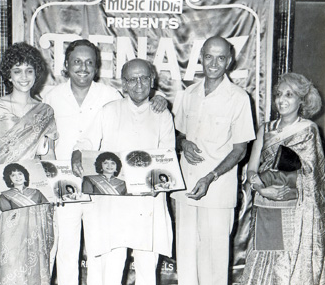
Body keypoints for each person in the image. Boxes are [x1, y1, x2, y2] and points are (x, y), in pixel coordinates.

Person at [43, 39, 167, 285]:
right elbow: (44, 145)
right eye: (77, 62)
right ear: (66, 64)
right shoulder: (51, 97)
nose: (83, 68)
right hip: (65, 183)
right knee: (66, 248)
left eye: (90, 62)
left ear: (97, 67)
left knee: (101, 251)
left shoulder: (110, 95)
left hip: (101, 187)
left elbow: (137, 105)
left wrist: (158, 97)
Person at [72, 58, 174, 285]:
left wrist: (157, 184)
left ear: (152, 80)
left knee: (148, 271)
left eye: (144, 78)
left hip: (147, 203)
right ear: (124, 84)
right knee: (112, 270)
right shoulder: (109, 110)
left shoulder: (162, 115)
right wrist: (78, 153)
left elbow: (168, 156)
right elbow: (86, 141)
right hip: (113, 203)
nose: (139, 84)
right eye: (132, 79)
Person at [171, 36, 255, 285]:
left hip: (217, 193)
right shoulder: (188, 94)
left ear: (229, 61)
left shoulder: (238, 98)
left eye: (221, 58)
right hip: (185, 189)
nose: (214, 63)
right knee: (186, 260)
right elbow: (176, 135)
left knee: (214, 265)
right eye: (209, 56)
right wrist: (183, 143)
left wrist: (211, 176)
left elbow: (240, 150)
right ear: (201, 58)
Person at [0, 42, 58, 284]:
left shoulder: (45, 111)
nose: (23, 77)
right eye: (17, 70)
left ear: (36, 73)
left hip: (35, 192)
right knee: (9, 255)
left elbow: (49, 155)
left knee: (37, 254)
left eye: (29, 70)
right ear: (8, 75)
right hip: (2, 188)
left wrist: (56, 187)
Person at [240, 73, 325, 284]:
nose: (282, 99)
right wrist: (261, 188)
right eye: (279, 94)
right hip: (265, 203)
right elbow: (252, 169)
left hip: (294, 210)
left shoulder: (308, 130)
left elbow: (313, 176)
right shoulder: (265, 129)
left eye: (290, 94)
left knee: (287, 262)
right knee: (263, 256)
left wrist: (292, 185)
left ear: (301, 100)